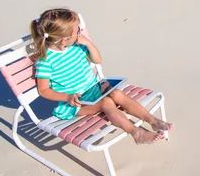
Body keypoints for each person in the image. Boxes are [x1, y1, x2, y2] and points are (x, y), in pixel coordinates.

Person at [29, 8, 173, 145]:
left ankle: (152, 121)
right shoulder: (46, 61)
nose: (80, 33)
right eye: (77, 30)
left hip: (94, 91)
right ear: (64, 40)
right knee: (106, 103)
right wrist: (68, 97)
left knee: (116, 93)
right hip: (75, 104)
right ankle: (136, 133)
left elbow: (97, 60)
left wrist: (89, 44)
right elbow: (44, 90)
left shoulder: (76, 47)